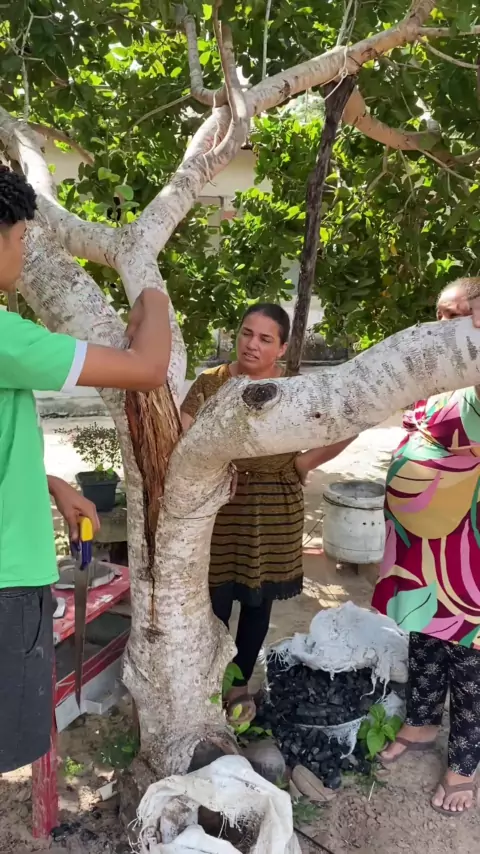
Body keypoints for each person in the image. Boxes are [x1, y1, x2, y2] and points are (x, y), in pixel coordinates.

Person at [0, 166, 171, 774]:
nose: (23, 251)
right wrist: (152, 294)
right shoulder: (7, 339)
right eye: (22, 237)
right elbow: (147, 369)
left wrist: (48, 482)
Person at [181, 303, 352, 722]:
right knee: (213, 600)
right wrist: (212, 466)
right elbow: (184, 426)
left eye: (265, 338)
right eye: (246, 333)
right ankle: (208, 684)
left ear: (282, 347)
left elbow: (347, 422)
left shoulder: (294, 389)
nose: (251, 344)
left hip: (274, 507)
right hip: (219, 504)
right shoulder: (211, 382)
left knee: (258, 604)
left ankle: (239, 685)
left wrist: (303, 464)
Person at [372, 277, 480, 815]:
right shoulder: (433, 372)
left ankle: (464, 763)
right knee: (424, 633)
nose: (448, 325)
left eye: (461, 314)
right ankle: (420, 723)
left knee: (470, 652)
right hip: (424, 545)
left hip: (469, 546)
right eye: (442, 314)